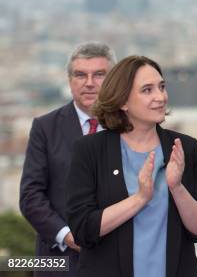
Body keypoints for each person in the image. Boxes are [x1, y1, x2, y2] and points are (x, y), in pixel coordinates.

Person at [66, 56, 197, 277]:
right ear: (123, 101)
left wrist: (177, 188)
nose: (160, 97)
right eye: (147, 90)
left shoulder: (185, 147)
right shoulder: (90, 150)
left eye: (162, 87)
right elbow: (82, 230)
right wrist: (139, 199)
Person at [20, 42, 116, 277]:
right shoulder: (45, 127)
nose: (89, 83)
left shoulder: (131, 126)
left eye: (99, 75)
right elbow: (31, 196)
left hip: (118, 260)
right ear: (69, 79)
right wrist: (67, 236)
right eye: (80, 75)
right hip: (58, 262)